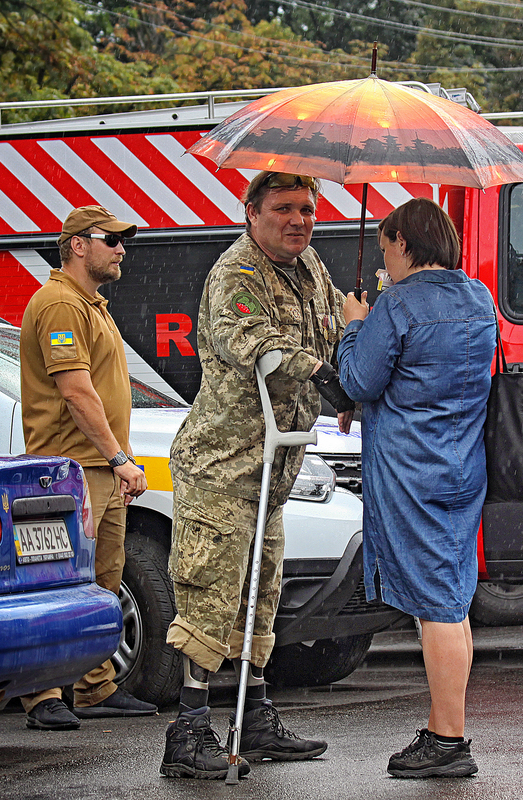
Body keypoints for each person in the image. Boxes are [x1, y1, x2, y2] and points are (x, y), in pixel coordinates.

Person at [160, 171, 355, 780]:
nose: (299, 220)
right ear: (251, 213)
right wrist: (322, 373)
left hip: (274, 468)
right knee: (210, 595)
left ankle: (257, 717)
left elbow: (329, 333)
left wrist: (354, 346)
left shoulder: (312, 269)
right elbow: (253, 341)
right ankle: (189, 731)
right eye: (284, 209)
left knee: (260, 593)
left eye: (308, 208)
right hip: (224, 466)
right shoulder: (236, 272)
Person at [339, 197, 495, 779]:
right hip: (462, 466)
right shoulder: (478, 298)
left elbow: (360, 378)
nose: (384, 263)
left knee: (436, 606)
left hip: (411, 470)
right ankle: (442, 725)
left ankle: (449, 739)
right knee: (452, 600)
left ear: (404, 243)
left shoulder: (398, 304)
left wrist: (356, 324)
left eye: (385, 250)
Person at [19, 205, 156, 730]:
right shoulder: (58, 303)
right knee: (55, 583)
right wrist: (120, 458)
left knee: (102, 581)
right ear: (78, 244)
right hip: (66, 472)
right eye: (112, 239)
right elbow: (76, 391)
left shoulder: (92, 305)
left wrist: (117, 461)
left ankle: (95, 686)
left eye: (124, 241)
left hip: (97, 470)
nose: (122, 248)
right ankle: (42, 695)